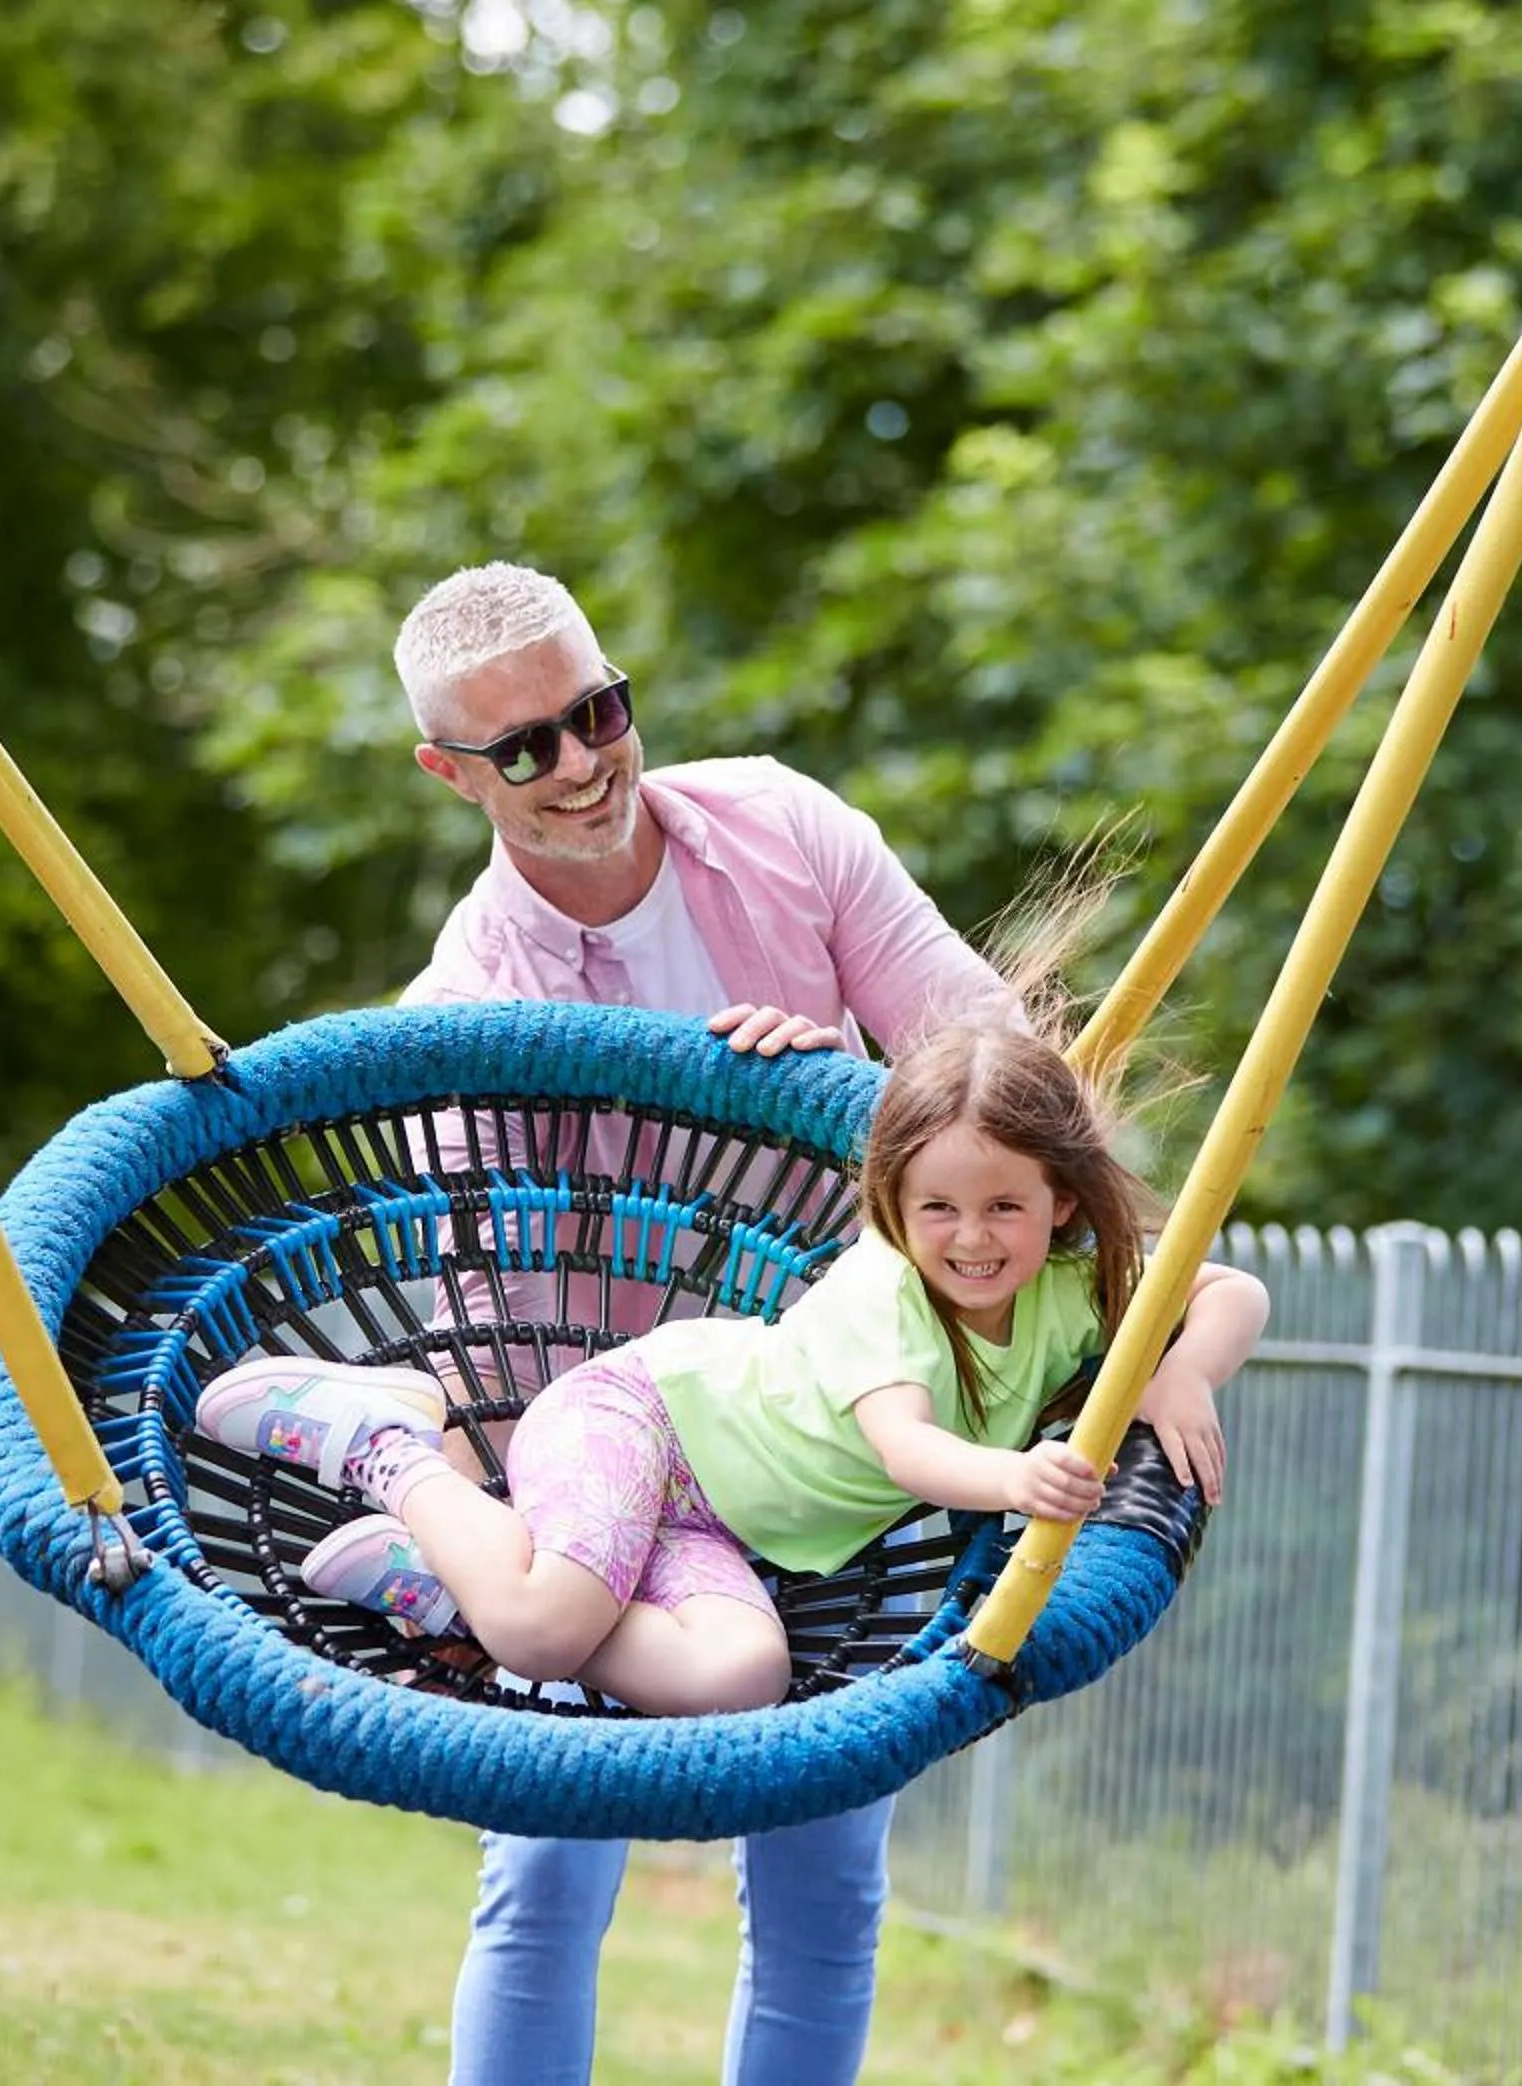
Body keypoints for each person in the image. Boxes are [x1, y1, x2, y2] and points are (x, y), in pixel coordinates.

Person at [278, 559, 994, 2083]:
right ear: (447, 775)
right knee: (544, 1867)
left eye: (597, 710)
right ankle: (401, 1506)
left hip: (832, 1416)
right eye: (522, 747)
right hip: (612, 1437)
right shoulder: (459, 1012)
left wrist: (852, 1095)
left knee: (823, 1876)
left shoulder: (787, 833)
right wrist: (491, 1496)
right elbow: (485, 1309)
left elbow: (993, 1072)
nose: (583, 762)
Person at [196, 1016, 1266, 1715]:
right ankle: (393, 1448)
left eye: (1004, 1209)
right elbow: (909, 1446)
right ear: (894, 1205)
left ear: (1061, 1204)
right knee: (545, 1630)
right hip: (645, 1421)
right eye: (936, 1206)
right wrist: (1020, 1479)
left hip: (710, 1524)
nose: (970, 1239)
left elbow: (1231, 1291)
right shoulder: (880, 1291)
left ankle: (455, 1579)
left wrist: (1182, 1374)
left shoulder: (1069, 1290)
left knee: (742, 1678)